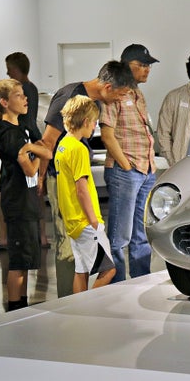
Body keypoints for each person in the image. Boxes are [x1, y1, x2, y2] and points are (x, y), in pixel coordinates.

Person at [38, 60, 135, 298]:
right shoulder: (70, 98)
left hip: (71, 196)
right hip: (73, 199)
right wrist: (40, 180)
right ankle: (74, 303)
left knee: (79, 264)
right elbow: (47, 142)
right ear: (108, 87)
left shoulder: (86, 108)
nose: (120, 100)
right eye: (120, 94)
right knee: (74, 254)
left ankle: (73, 304)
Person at [0, 79, 52, 311]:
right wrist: (36, 154)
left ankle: (22, 307)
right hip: (17, 202)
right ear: (4, 102)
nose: (25, 99)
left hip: (27, 200)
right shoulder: (8, 134)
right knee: (18, 263)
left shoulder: (21, 129)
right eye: (18, 95)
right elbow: (30, 169)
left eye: (24, 94)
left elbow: (46, 152)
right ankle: (15, 308)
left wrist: (32, 149)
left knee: (25, 261)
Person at [99, 44, 159, 283]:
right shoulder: (115, 93)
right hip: (127, 171)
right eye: (142, 65)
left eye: (148, 66)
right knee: (119, 236)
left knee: (141, 234)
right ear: (126, 65)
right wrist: (126, 165)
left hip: (145, 169)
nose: (147, 70)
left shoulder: (137, 94)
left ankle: (140, 280)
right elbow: (107, 135)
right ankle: (116, 284)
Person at [0, 52, 48, 253]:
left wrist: (35, 152)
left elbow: (30, 169)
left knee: (9, 190)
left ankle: (5, 237)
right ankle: (40, 235)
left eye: (9, 70)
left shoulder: (12, 131)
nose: (8, 73)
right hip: (29, 140)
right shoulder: (31, 88)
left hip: (25, 142)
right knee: (33, 190)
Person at [55, 96, 115, 293]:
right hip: (86, 222)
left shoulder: (63, 145)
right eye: (94, 122)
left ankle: (78, 308)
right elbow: (81, 189)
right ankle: (90, 305)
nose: (95, 126)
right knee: (108, 270)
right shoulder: (79, 149)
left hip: (73, 222)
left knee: (81, 271)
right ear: (87, 121)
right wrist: (94, 222)